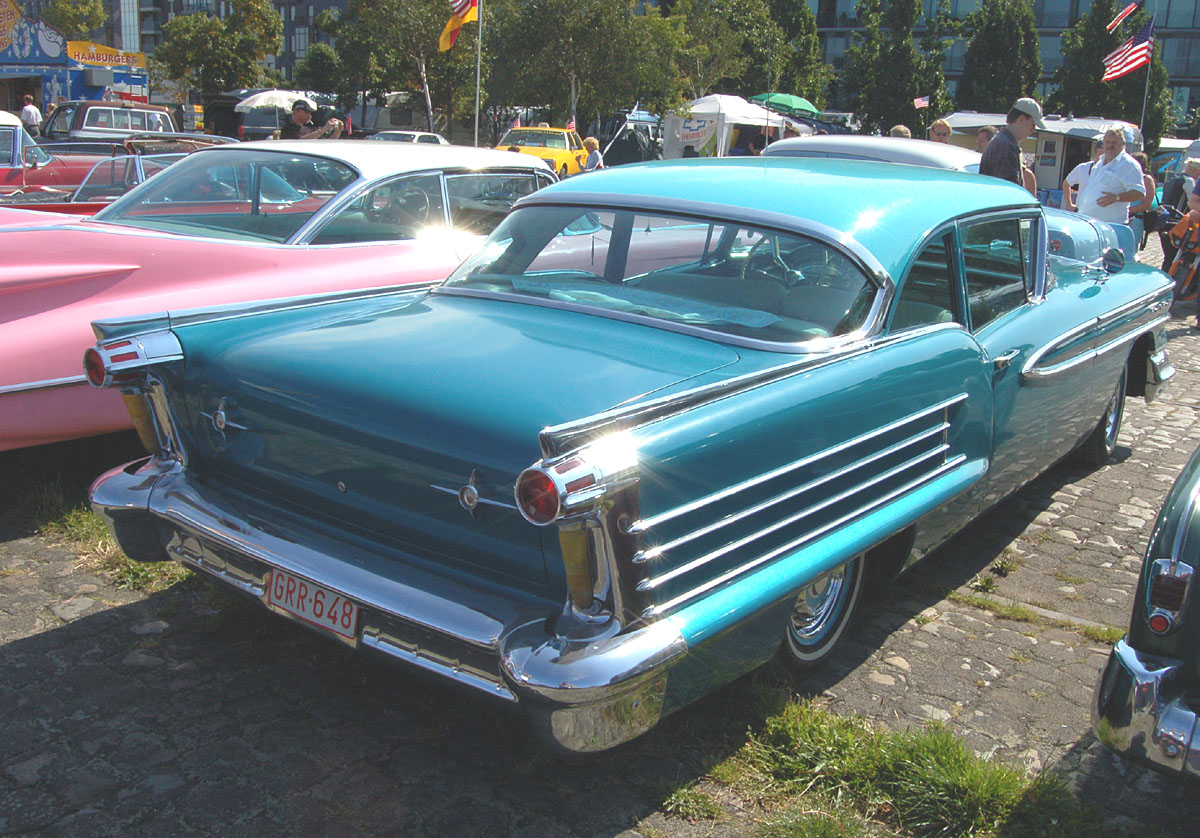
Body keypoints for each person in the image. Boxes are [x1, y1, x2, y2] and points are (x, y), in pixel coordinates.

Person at [1076, 127, 1145, 259]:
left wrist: (1116, 198)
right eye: (1107, 142)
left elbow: (1140, 193)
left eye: (1114, 142)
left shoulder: (1129, 164)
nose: (1110, 145)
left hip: (1111, 228)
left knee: (1110, 266)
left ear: (1122, 145)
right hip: (1089, 225)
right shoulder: (1100, 162)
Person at [980, 97, 1045, 185]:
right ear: (1021, 119)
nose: (1033, 130)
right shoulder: (1006, 147)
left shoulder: (1004, 142)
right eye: (1033, 125)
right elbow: (1009, 190)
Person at [1160, 158, 1200, 270]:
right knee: (1176, 255)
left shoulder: (1172, 179)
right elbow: (1191, 201)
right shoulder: (1188, 181)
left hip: (1164, 219)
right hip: (1178, 222)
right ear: (1193, 170)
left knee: (1168, 256)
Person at [1062, 141, 1102, 212]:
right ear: (1097, 150)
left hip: (1101, 214)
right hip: (1081, 213)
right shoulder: (1083, 168)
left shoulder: (1111, 171)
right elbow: (1066, 184)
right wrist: (1069, 205)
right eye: (1102, 148)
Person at [1128, 152, 1157, 250]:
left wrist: (1128, 211)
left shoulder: (1146, 179)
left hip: (1135, 219)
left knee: (1130, 249)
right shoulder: (1126, 177)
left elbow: (1147, 204)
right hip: (1122, 218)